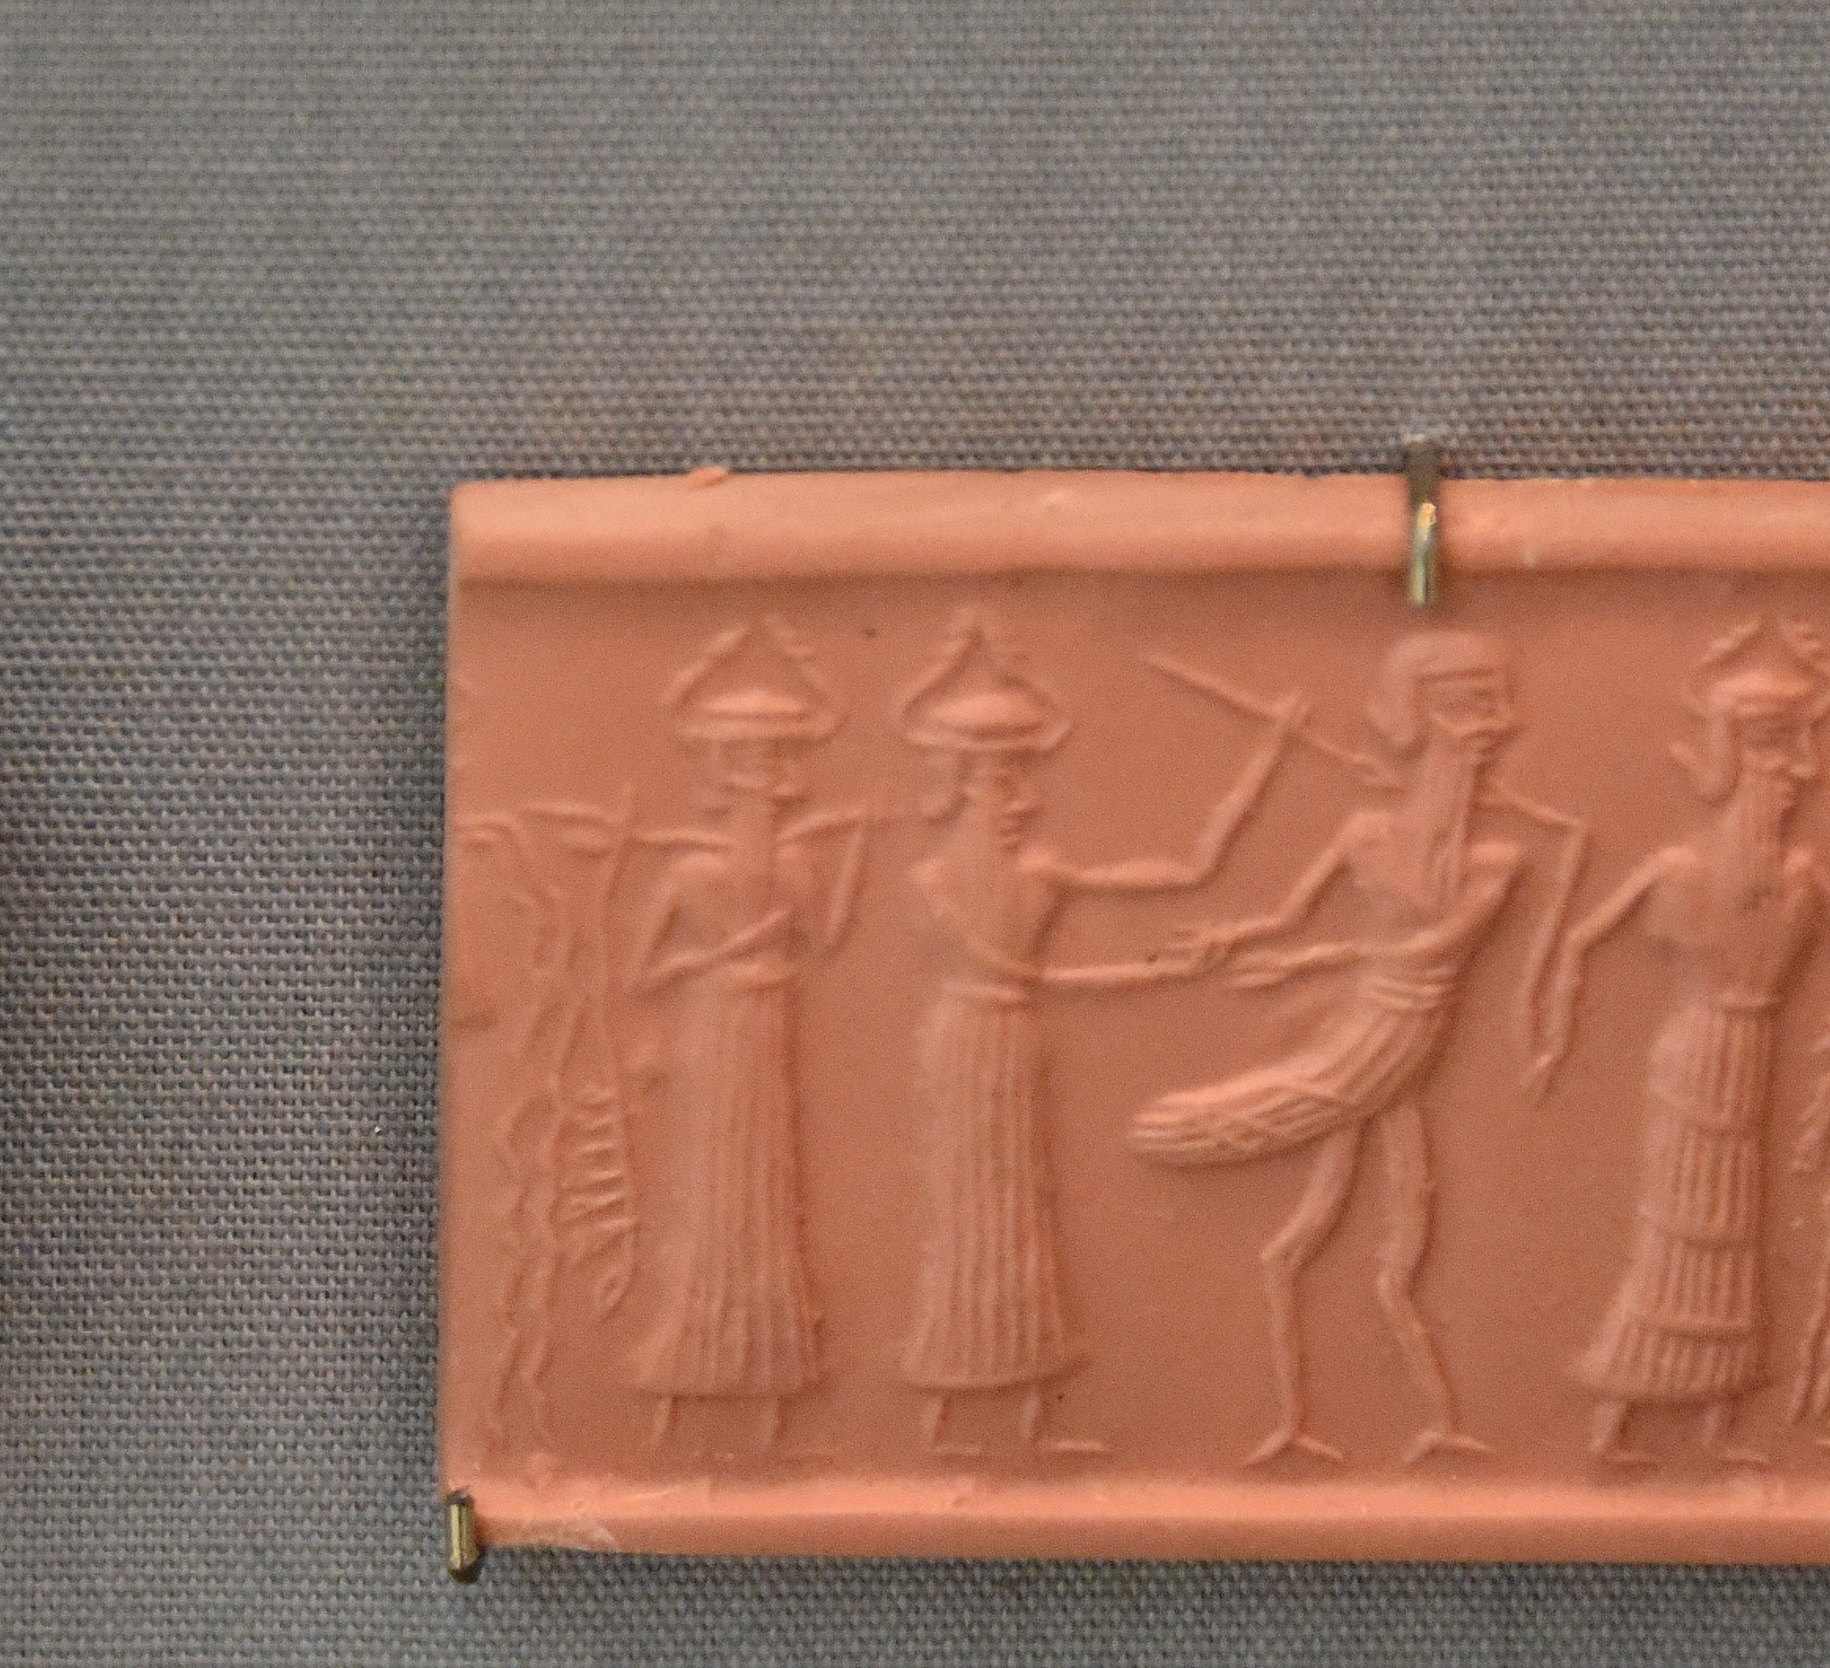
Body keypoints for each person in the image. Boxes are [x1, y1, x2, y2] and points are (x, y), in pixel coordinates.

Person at [1530, 621, 1830, 1460]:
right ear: (1740, 769)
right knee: (1680, 1229)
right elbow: (1579, 941)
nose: (1796, 784)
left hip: (1749, 1055)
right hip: (1697, 1053)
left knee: (1731, 1233)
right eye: (1778, 768)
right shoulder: (1680, 870)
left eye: (1794, 770)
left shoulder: (1801, 875)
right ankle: (1619, 1421)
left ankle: (1715, 1425)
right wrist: (1549, 1031)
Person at [893, 614, 1291, 1455]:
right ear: (957, 784)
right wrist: (1153, 975)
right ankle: (944, 1415)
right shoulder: (930, 881)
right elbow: (1022, 974)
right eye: (1001, 785)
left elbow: (1189, 872)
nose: (1025, 802)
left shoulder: (1042, 870)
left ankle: (1028, 1413)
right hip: (966, 1045)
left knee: (1018, 1214)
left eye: (1023, 782)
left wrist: (1266, 757)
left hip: (1012, 1043)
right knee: (965, 1216)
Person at [1131, 630, 1527, 1467]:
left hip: (1402, 1038)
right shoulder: (1365, 832)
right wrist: (1231, 941)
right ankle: (1293, 1423)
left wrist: (1316, 959)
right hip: (1368, 1038)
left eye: (1492, 708)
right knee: (1310, 1242)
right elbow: (1286, 916)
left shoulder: (1497, 856)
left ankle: (1437, 1422)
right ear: (1420, 719)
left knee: (1396, 1250)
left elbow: (1435, 947)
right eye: (1466, 708)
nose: (1493, 726)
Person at [625, 630, 867, 1453]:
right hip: (720, 1028)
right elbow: (643, 972)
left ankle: (768, 1366)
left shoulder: (797, 865)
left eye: (774, 759)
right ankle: (700, 1354)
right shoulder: (689, 872)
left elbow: (826, 941)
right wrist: (716, 956)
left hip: (769, 1027)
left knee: (767, 1186)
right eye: (748, 760)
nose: (762, 775)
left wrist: (855, 859)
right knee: (716, 1188)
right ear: (721, 773)